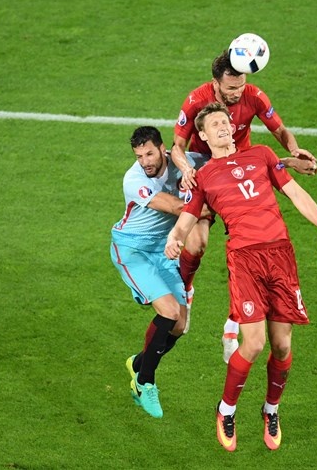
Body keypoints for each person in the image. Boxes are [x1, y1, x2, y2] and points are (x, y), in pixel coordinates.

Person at [164, 103, 317, 451]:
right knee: (255, 343)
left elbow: (294, 192)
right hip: (245, 260)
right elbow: (188, 218)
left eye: (225, 121)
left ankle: (270, 410)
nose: (222, 126)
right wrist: (174, 239)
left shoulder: (261, 154)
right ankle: (226, 410)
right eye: (214, 124)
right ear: (203, 135)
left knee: (282, 345)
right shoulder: (204, 176)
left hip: (280, 255)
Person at [171, 49, 317, 363]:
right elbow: (178, 146)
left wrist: (294, 152)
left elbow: (278, 131)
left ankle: (233, 325)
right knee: (196, 243)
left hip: (240, 168)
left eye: (240, 86)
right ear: (215, 84)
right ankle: (185, 291)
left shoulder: (254, 96)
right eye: (230, 88)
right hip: (204, 169)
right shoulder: (196, 100)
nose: (237, 93)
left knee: (247, 247)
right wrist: (187, 170)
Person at [110, 126, 208, 419]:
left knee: (179, 326)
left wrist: (285, 163)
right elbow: (177, 207)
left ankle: (138, 364)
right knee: (169, 312)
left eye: (149, 154)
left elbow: (234, 165)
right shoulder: (134, 180)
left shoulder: (187, 162)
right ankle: (145, 383)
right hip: (132, 250)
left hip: (163, 250)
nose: (145, 162)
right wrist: (216, 207)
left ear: (163, 149)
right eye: (139, 156)